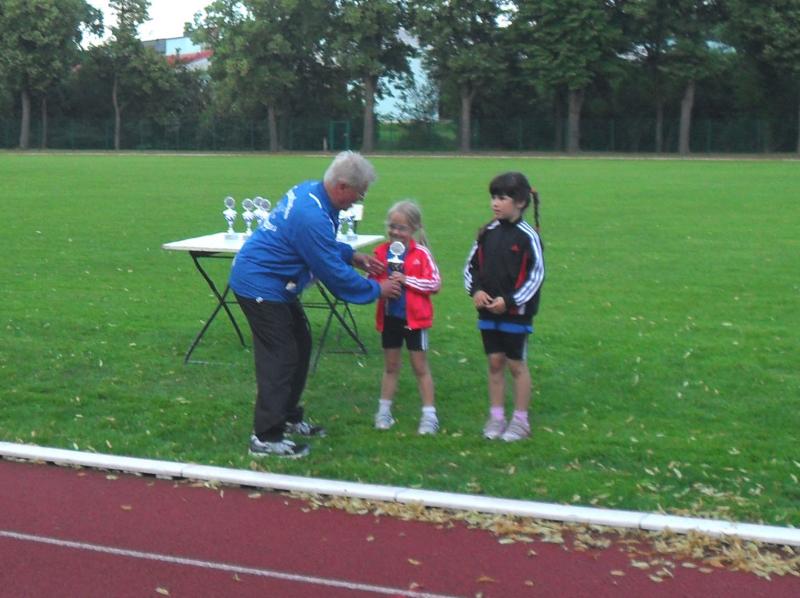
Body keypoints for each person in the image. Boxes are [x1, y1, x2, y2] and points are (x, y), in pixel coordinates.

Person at [229, 151, 401, 458]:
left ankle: (288, 417)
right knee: (280, 356)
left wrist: (351, 255)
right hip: (260, 284)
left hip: (277, 284)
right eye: (359, 194)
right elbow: (332, 274)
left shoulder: (311, 192)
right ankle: (266, 436)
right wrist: (377, 289)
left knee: (300, 345)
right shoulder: (311, 214)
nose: (358, 201)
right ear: (342, 186)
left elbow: (318, 243)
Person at [464, 172, 545, 442]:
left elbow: (536, 276)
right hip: (487, 312)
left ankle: (520, 421)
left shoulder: (528, 236)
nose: (495, 204)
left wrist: (509, 301)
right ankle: (496, 417)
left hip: (516, 314)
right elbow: (471, 267)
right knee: (495, 362)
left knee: (515, 364)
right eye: (493, 198)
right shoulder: (487, 233)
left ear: (520, 202)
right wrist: (476, 291)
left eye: (501, 198)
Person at [370, 201, 441, 434]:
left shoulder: (421, 253)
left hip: (415, 321)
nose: (395, 232)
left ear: (414, 228)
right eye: (392, 226)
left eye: (402, 228)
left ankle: (429, 415)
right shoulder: (381, 252)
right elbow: (373, 281)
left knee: (420, 367)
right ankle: (383, 412)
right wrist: (381, 284)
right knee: (390, 366)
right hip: (390, 318)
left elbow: (434, 283)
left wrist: (406, 280)